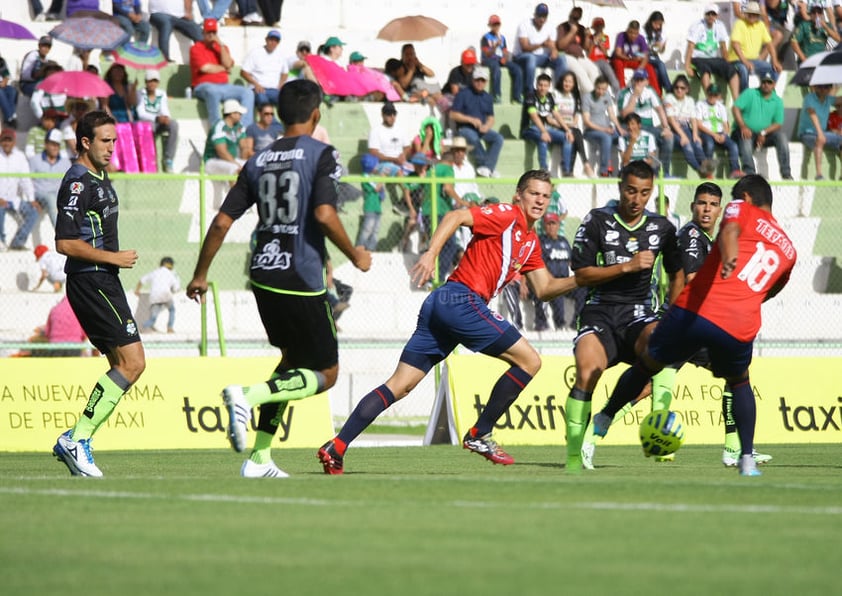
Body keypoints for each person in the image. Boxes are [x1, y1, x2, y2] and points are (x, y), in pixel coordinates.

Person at [317, 169, 580, 474]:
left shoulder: (531, 242)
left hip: (442, 304)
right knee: (530, 361)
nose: (540, 200)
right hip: (460, 301)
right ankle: (480, 433)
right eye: (534, 193)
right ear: (518, 195)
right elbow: (455, 216)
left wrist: (581, 279)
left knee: (399, 386)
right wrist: (431, 254)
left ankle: (337, 446)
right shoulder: (507, 215)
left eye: (545, 196)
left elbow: (545, 288)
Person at [186, 79, 371, 478]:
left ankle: (259, 458)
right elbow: (323, 214)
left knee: (290, 362)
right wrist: (355, 254)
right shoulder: (322, 154)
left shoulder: (257, 161)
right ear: (316, 114)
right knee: (327, 374)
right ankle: (246, 396)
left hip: (263, 274)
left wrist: (200, 274)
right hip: (302, 275)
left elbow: (221, 222)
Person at [590, 174, 796, 477]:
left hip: (697, 310)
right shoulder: (789, 248)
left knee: (647, 365)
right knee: (739, 381)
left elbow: (730, 232)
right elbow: (774, 287)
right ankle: (746, 458)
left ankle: (604, 418)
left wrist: (729, 256)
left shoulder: (741, 210)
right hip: (740, 323)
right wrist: (747, 299)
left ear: (746, 199)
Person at [564, 160, 683, 473]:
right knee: (588, 371)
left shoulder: (662, 228)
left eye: (644, 193)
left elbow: (677, 272)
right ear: (620, 187)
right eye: (631, 191)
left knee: (661, 347)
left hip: (639, 314)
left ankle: (626, 424)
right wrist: (626, 266)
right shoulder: (597, 220)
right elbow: (582, 274)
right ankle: (575, 459)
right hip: (599, 311)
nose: (636, 199)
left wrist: (673, 311)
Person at [51, 110, 146, 477]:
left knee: (124, 366)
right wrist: (114, 258)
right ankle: (77, 439)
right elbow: (64, 242)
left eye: (114, 140)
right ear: (85, 142)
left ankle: (79, 439)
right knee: (133, 363)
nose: (111, 147)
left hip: (103, 279)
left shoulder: (100, 177)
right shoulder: (78, 182)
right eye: (105, 141)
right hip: (92, 278)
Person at [190, 18, 255, 129]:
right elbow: (205, 68)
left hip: (224, 86)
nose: (211, 35)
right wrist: (224, 69)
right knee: (213, 91)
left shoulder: (222, 48)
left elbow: (228, 64)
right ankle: (217, 129)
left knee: (248, 92)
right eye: (208, 32)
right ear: (203, 33)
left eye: (213, 32)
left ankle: (243, 128)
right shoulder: (196, 48)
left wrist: (220, 45)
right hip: (203, 86)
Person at [731, 72, 792, 180]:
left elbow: (778, 123)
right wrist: (743, 126)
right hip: (744, 130)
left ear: (773, 85)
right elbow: (735, 108)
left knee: (781, 136)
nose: (766, 84)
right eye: (764, 82)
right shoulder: (750, 93)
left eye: (769, 82)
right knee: (746, 137)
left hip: (764, 134)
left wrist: (763, 132)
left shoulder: (777, 101)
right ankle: (749, 173)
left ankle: (786, 173)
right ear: (761, 83)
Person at [617, 69, 675, 175]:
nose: (639, 82)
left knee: (668, 138)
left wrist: (666, 127)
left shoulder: (650, 91)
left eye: (641, 80)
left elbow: (660, 109)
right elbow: (624, 115)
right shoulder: (625, 93)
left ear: (646, 81)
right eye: (636, 79)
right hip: (631, 125)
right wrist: (634, 96)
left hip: (649, 126)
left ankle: (663, 172)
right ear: (633, 81)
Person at [451, 65, 505, 178]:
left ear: (486, 82)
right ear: (473, 80)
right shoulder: (463, 94)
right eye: (477, 80)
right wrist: (470, 120)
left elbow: (491, 117)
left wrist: (487, 126)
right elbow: (453, 114)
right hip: (464, 128)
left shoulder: (488, 97)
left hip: (481, 129)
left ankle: (488, 167)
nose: (480, 83)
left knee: (498, 138)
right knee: (473, 137)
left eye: (482, 80)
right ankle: (485, 165)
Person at [685, 4, 741, 107]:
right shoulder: (697, 26)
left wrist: (726, 62)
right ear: (705, 15)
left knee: (732, 69)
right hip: (698, 57)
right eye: (708, 14)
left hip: (713, 58)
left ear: (717, 16)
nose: (711, 16)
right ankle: (711, 97)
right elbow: (690, 46)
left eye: (713, 14)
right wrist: (687, 66)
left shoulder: (720, 26)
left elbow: (723, 47)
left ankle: (737, 102)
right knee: (704, 69)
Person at [532, 212, 577, 331]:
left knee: (584, 290)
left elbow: (572, 262)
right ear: (545, 226)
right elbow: (538, 263)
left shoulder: (564, 241)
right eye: (548, 224)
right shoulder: (541, 241)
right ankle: (558, 324)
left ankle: (574, 324)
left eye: (553, 223)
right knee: (555, 294)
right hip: (549, 281)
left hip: (565, 281)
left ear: (558, 225)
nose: (551, 227)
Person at [512, 3, 567, 100]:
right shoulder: (524, 24)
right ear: (535, 15)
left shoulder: (550, 27)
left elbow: (553, 47)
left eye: (544, 16)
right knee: (531, 58)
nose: (542, 19)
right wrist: (542, 44)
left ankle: (560, 91)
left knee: (561, 59)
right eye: (540, 16)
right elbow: (524, 47)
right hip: (522, 56)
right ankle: (528, 92)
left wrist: (554, 51)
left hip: (543, 57)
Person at [663, 74, 713, 178]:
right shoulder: (669, 98)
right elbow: (671, 120)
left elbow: (693, 119)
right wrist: (683, 136)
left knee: (697, 144)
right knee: (688, 146)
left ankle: (707, 170)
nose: (679, 90)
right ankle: (700, 170)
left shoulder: (689, 100)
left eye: (682, 88)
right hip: (673, 129)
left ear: (687, 89)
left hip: (686, 128)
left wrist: (695, 134)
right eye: (676, 87)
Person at [520, 73, 569, 174]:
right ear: (536, 85)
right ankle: (544, 169)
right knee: (543, 138)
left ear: (549, 86)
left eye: (545, 85)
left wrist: (567, 130)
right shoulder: (530, 96)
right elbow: (534, 116)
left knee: (567, 137)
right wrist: (543, 131)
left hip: (545, 129)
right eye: (540, 85)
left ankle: (566, 169)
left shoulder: (549, 97)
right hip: (529, 129)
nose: (542, 88)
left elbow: (556, 114)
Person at [729, 1, 782, 92]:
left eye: (755, 14)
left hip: (753, 61)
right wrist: (745, 61)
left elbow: (770, 45)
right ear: (746, 14)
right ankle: (744, 97)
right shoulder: (739, 23)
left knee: (774, 69)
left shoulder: (760, 25)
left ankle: (766, 94)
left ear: (758, 15)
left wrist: (775, 60)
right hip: (736, 60)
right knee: (743, 69)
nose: (752, 16)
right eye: (750, 14)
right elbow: (735, 44)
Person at [28, 128, 70, 240]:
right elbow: (28, 182)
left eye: (57, 144)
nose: (55, 147)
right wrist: (31, 198)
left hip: (57, 196)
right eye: (52, 144)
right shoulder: (35, 160)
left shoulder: (66, 163)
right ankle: (62, 235)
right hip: (40, 193)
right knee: (50, 198)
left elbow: (68, 184)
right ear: (46, 144)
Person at [695, 83, 743, 179]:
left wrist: (724, 135)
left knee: (733, 145)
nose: (712, 97)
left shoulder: (721, 106)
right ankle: (707, 171)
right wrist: (714, 135)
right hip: (706, 132)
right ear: (707, 93)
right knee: (709, 145)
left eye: (715, 95)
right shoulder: (700, 105)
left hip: (720, 132)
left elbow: (726, 125)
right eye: (710, 94)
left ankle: (735, 170)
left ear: (719, 96)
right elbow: (699, 124)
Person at [0, 129, 36, 252]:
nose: (6, 143)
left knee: (33, 212)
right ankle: (1, 241)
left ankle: (17, 242)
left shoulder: (20, 157)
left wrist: (31, 199)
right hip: (0, 200)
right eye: (4, 140)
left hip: (14, 200)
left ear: (14, 142)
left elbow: (25, 180)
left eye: (9, 140)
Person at [135, 69, 178, 172]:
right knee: (151, 127)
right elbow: (141, 113)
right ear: (146, 81)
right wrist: (156, 118)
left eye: (155, 81)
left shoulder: (161, 93)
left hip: (159, 121)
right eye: (150, 81)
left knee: (174, 125)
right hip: (148, 122)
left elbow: (164, 108)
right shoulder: (140, 93)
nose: (152, 83)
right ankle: (151, 159)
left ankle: (168, 159)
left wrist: (166, 117)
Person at [797, 84, 842, 180]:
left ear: (830, 89)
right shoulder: (809, 98)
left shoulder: (829, 99)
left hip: (822, 133)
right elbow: (813, 114)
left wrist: (839, 85)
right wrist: (820, 133)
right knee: (820, 139)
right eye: (820, 86)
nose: (822, 89)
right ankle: (819, 175)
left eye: (825, 87)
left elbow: (839, 99)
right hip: (807, 133)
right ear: (815, 87)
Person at [582, 76, 622, 177]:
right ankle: (604, 170)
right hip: (591, 130)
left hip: (606, 128)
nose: (601, 91)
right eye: (598, 88)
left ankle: (625, 167)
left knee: (622, 137)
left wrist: (619, 128)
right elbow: (587, 121)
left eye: (603, 89)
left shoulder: (606, 95)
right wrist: (604, 129)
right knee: (606, 138)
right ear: (595, 86)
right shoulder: (587, 97)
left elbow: (612, 114)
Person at [556, 72, 594, 177]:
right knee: (575, 133)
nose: (567, 84)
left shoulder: (575, 98)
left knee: (575, 133)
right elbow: (554, 115)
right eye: (565, 81)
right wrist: (565, 124)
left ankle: (570, 171)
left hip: (570, 127)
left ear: (574, 84)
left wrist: (569, 125)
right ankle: (585, 164)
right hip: (558, 126)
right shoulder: (556, 95)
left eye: (570, 82)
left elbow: (575, 120)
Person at [556, 6, 600, 95]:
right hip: (566, 55)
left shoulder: (581, 28)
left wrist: (587, 36)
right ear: (571, 13)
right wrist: (571, 32)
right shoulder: (562, 27)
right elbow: (560, 46)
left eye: (579, 13)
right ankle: (591, 95)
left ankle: (598, 92)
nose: (576, 15)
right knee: (581, 73)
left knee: (594, 70)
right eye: (575, 12)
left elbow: (586, 48)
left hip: (580, 56)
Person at [480, 14, 523, 104]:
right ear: (490, 26)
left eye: (497, 24)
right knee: (496, 69)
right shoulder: (485, 38)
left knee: (517, 69)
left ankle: (517, 95)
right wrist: (495, 46)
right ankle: (496, 95)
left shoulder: (502, 37)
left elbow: (505, 52)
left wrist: (505, 58)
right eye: (494, 24)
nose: (496, 26)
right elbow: (487, 54)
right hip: (489, 59)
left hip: (499, 59)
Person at [241, 29, 288, 109]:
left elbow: (285, 73)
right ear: (266, 39)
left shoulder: (281, 55)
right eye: (271, 40)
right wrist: (256, 84)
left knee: (288, 100)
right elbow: (243, 72)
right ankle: (272, 121)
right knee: (262, 99)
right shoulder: (255, 52)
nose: (273, 43)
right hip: (258, 89)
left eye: (276, 41)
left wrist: (280, 84)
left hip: (274, 90)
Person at [611, 20, 661, 95]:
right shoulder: (621, 36)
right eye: (631, 32)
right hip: (623, 59)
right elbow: (618, 53)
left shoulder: (641, 38)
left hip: (633, 61)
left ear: (638, 32)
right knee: (618, 63)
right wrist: (630, 58)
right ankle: (622, 91)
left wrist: (640, 68)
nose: (633, 35)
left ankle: (657, 94)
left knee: (649, 68)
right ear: (627, 30)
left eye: (635, 33)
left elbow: (645, 56)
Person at [203, 98, 248, 178]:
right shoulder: (219, 127)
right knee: (234, 168)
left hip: (230, 159)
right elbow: (221, 151)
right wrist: (236, 164)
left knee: (251, 167)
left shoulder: (239, 126)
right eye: (239, 113)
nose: (241, 115)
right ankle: (234, 191)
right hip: (213, 160)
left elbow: (244, 146)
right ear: (232, 113)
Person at [135, 256, 180, 333]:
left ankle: (142, 327)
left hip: (154, 296)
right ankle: (170, 328)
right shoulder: (171, 273)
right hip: (166, 295)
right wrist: (173, 290)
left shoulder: (155, 272)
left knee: (153, 317)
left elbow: (142, 280)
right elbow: (176, 287)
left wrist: (137, 290)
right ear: (169, 264)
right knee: (172, 310)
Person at [356, 154, 385, 252]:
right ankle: (360, 247)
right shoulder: (365, 177)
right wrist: (382, 177)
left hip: (377, 207)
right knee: (367, 229)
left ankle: (371, 249)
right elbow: (376, 188)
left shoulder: (372, 177)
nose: (377, 167)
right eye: (376, 165)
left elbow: (380, 190)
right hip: (370, 207)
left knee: (375, 230)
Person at [588, 17, 621, 95]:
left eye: (601, 26)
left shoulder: (605, 37)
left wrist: (600, 44)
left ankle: (618, 97)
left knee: (612, 78)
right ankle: (603, 95)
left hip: (603, 61)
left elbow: (606, 53)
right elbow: (588, 54)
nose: (599, 28)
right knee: (599, 78)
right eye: (597, 26)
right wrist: (593, 42)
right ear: (594, 27)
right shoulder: (590, 37)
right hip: (593, 61)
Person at [643, 11, 672, 94]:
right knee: (661, 64)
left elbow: (661, 51)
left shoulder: (661, 33)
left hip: (654, 56)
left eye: (660, 24)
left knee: (656, 71)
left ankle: (658, 94)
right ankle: (669, 88)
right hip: (645, 56)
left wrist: (662, 46)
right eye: (656, 24)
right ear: (651, 21)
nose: (658, 26)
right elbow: (642, 48)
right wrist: (652, 46)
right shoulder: (643, 31)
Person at [0, 53, 18, 128]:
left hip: (2, 85)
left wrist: (4, 81)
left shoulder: (1, 61)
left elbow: (6, 75)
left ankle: (12, 116)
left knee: (12, 91)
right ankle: (10, 118)